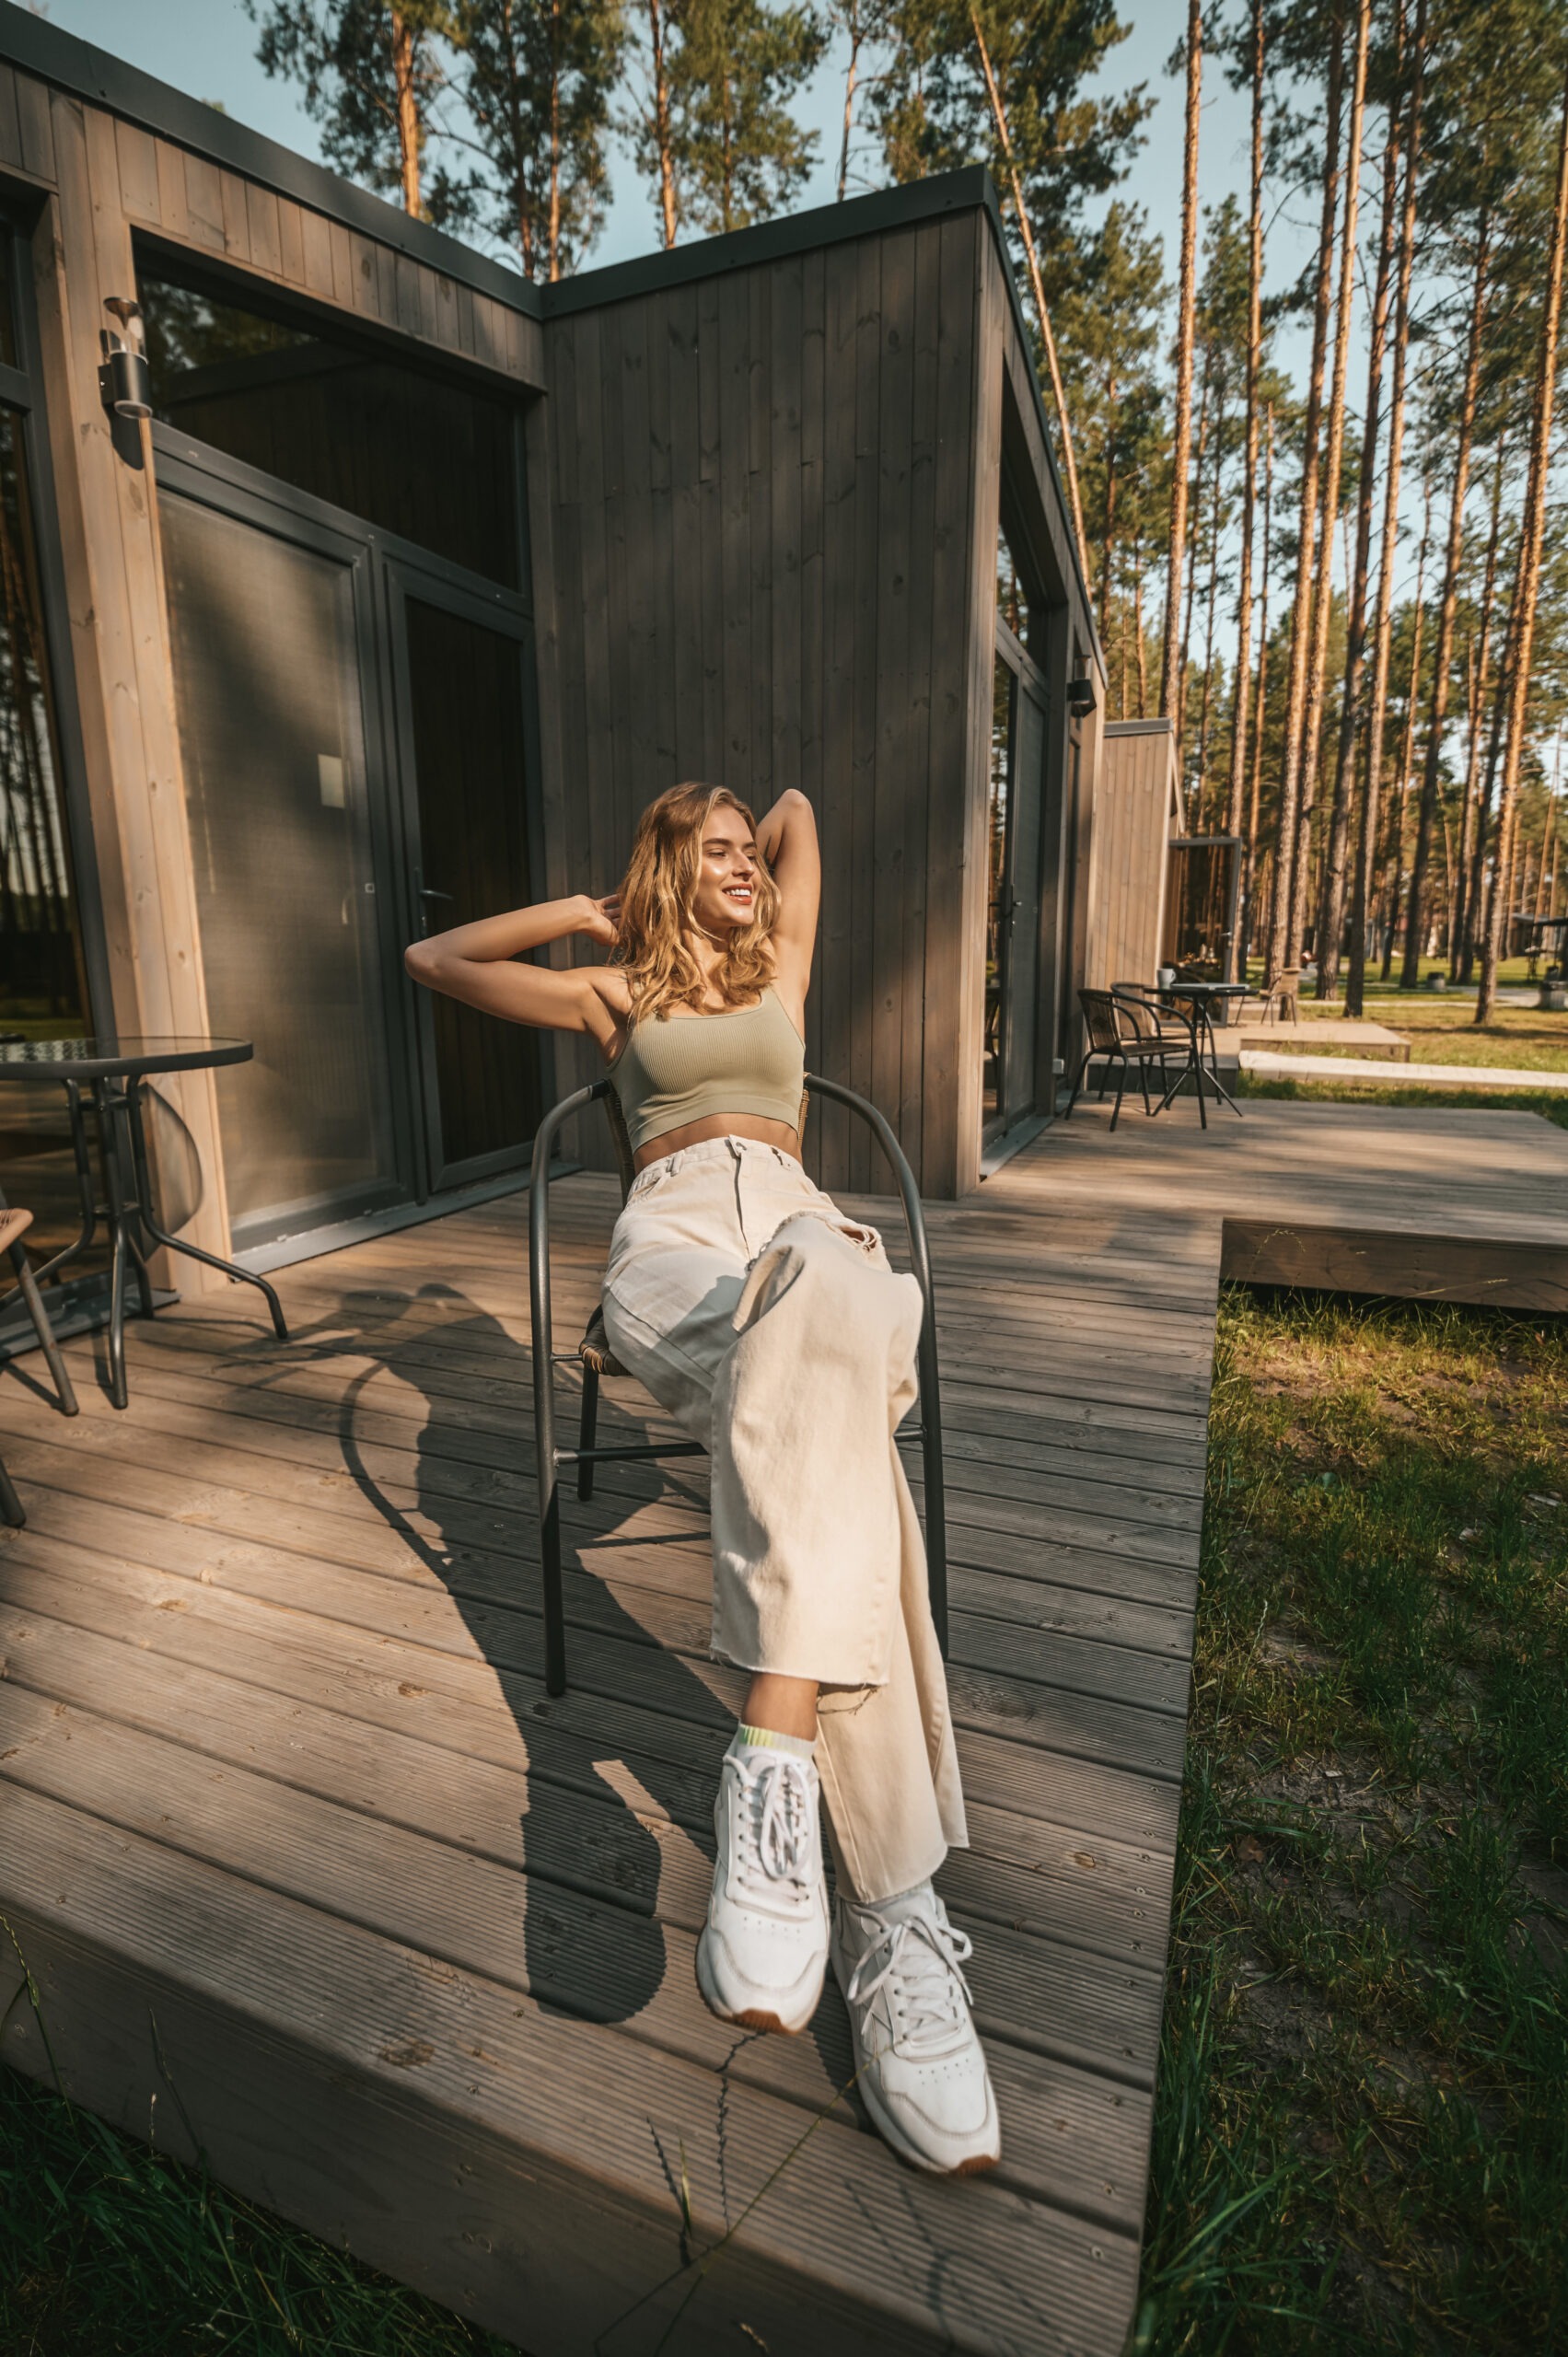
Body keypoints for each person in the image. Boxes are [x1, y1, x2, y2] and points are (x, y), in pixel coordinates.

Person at [405, 782, 1000, 2177]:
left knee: (830, 1300)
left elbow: (805, 813)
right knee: (844, 1410)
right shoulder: (614, 996)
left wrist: (748, 820)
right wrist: (584, 911)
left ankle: (774, 1762)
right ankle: (899, 1919)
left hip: (800, 1224)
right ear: (673, 869)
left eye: (749, 859)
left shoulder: (781, 968)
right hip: (673, 1249)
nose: (748, 867)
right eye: (716, 853)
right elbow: (438, 964)